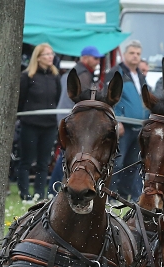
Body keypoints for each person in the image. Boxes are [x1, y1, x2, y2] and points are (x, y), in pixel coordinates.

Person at [50, 46, 101, 194]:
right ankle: (53, 190)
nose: (97, 61)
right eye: (95, 58)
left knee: (66, 157)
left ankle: (53, 190)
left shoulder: (77, 73)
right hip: (73, 122)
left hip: (70, 120)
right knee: (66, 158)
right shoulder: (82, 75)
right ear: (85, 58)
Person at [105, 40, 149, 201]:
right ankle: (110, 196)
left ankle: (124, 196)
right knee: (117, 163)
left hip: (139, 126)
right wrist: (116, 120)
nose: (135, 56)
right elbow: (110, 98)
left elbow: (145, 98)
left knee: (133, 163)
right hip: (123, 125)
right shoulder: (116, 73)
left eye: (138, 54)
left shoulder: (140, 75)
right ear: (124, 54)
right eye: (132, 53)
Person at [17, 43, 61, 202]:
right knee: (26, 160)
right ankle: (24, 193)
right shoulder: (27, 76)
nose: (51, 57)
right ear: (39, 57)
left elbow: (57, 99)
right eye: (47, 54)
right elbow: (20, 100)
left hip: (49, 125)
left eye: (51, 53)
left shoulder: (55, 77)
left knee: (44, 162)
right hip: (30, 124)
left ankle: (39, 193)